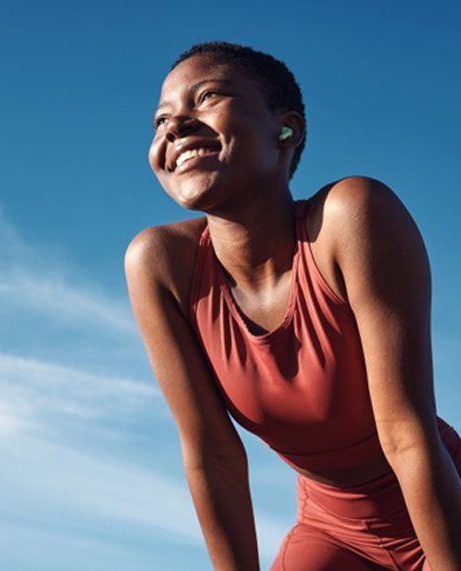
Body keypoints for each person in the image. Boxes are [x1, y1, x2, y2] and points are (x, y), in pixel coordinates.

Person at [124, 41, 461, 570]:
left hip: (444, 503)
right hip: (335, 533)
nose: (175, 126)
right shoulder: (160, 265)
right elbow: (213, 456)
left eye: (206, 96)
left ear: (287, 129)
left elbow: (407, 436)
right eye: (161, 120)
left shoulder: (351, 218)